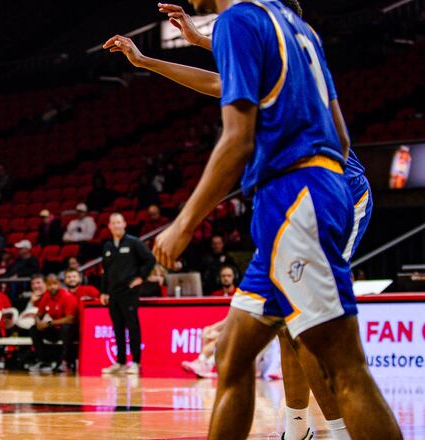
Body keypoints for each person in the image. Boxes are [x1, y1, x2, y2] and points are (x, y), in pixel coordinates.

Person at [107, 3, 375, 438]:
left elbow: (236, 133)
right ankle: (296, 429)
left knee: (320, 343)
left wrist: (184, 223)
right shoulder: (293, 35)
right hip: (295, 199)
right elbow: (224, 81)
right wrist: (165, 54)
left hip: (319, 196)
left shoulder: (250, 20)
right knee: (236, 350)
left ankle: (335, 432)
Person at [99, 213, 155, 375]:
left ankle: (136, 362)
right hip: (113, 293)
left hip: (129, 292)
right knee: (117, 328)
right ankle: (120, 362)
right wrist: (103, 291)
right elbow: (105, 271)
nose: (116, 226)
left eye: (119, 222)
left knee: (132, 326)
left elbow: (150, 259)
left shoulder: (133, 242)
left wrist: (141, 277)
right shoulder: (108, 246)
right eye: (113, 223)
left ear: (124, 224)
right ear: (109, 226)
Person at [28, 274, 78, 373]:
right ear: (46, 285)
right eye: (49, 284)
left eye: (54, 284)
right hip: (55, 329)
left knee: (66, 328)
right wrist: (38, 322)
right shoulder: (46, 296)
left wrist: (49, 323)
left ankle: (65, 362)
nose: (52, 287)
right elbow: (39, 314)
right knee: (34, 329)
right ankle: (43, 361)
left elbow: (70, 319)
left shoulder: (67, 296)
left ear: (59, 284)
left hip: (71, 331)